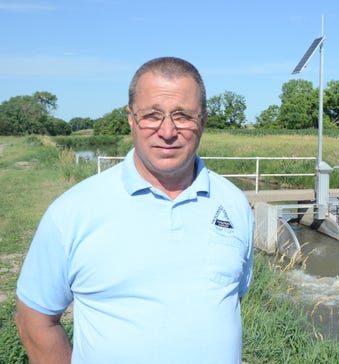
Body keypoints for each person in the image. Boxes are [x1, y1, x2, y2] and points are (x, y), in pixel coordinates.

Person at [15, 56, 254, 363]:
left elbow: (232, 298)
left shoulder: (234, 204)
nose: (167, 131)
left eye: (183, 116)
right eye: (152, 115)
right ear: (130, 118)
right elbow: (34, 320)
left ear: (203, 120)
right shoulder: (72, 212)